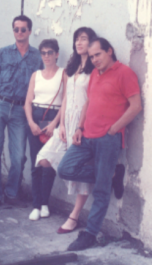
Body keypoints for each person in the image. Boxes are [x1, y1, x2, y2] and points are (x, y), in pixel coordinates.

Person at [57, 37, 142, 251]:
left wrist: (114, 129)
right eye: (92, 56)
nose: (94, 59)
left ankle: (89, 235)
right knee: (65, 169)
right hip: (86, 135)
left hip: (108, 140)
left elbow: (136, 106)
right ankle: (112, 174)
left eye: (98, 55)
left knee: (101, 191)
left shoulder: (124, 73)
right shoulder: (95, 73)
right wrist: (79, 127)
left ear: (110, 51)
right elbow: (88, 102)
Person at [34, 27, 97, 232]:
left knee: (79, 171)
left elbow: (91, 100)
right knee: (44, 158)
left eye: (84, 39)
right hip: (65, 123)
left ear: (92, 42)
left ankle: (74, 216)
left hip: (82, 124)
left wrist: (81, 125)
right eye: (77, 39)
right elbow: (66, 99)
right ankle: (107, 174)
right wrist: (59, 124)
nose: (79, 43)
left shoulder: (94, 69)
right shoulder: (73, 67)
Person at [0, 15, 43, 211]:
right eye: (16, 29)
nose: (19, 33)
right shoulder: (3, 53)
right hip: (0, 106)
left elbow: (42, 82)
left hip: (20, 110)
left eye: (23, 29)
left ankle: (11, 193)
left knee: (18, 157)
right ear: (13, 31)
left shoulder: (37, 57)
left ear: (29, 31)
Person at [24, 39, 64, 221]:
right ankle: (36, 205)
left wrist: (55, 123)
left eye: (50, 52)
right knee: (35, 164)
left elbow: (66, 101)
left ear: (56, 54)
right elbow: (27, 102)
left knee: (48, 164)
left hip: (53, 119)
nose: (46, 56)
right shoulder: (36, 75)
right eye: (43, 53)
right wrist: (31, 123)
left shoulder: (64, 74)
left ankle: (45, 203)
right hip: (36, 118)